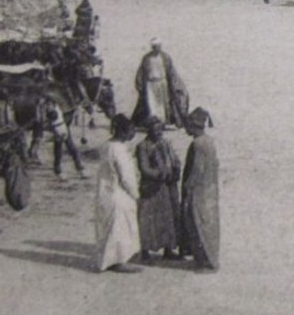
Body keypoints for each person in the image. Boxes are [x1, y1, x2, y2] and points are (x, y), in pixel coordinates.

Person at [94, 114, 141, 273]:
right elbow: (126, 177)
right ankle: (119, 261)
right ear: (123, 131)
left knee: (109, 229)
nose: (133, 134)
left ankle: (109, 260)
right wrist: (136, 194)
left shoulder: (107, 146)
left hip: (106, 191)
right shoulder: (119, 150)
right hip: (119, 194)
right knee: (120, 228)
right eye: (131, 130)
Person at [135, 117, 182, 262]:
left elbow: (176, 160)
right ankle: (145, 251)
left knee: (167, 218)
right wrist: (159, 173)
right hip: (151, 187)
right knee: (147, 219)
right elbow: (144, 168)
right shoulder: (143, 146)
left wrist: (175, 171)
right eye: (155, 130)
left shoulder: (166, 143)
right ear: (148, 131)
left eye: (160, 130)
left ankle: (168, 249)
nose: (158, 133)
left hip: (165, 187)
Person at [181, 107, 221, 273]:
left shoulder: (198, 144)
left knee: (199, 223)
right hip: (210, 188)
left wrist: (187, 186)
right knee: (208, 223)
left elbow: (197, 169)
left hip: (199, 190)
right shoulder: (209, 141)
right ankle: (207, 258)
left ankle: (207, 262)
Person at [132, 38, 190, 129]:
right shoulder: (147, 58)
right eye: (155, 47)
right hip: (150, 84)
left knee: (163, 104)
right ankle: (153, 123)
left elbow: (171, 72)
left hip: (163, 83)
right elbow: (141, 72)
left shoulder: (165, 57)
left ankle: (162, 122)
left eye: (158, 46)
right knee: (152, 104)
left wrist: (175, 85)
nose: (157, 48)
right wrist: (140, 85)